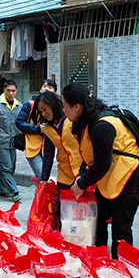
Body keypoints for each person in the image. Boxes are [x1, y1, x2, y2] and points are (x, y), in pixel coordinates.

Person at [63, 83, 139, 259]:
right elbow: (89, 156)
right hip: (110, 177)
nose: (64, 111)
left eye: (64, 106)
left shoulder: (102, 126)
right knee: (98, 220)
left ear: (77, 107)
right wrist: (81, 176)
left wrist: (81, 184)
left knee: (121, 229)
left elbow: (102, 164)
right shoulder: (87, 123)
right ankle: (99, 260)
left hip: (129, 176)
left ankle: (123, 269)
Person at [34, 90, 83, 229]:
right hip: (64, 172)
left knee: (82, 207)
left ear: (53, 105)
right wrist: (43, 179)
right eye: (41, 111)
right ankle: (60, 238)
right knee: (59, 208)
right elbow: (48, 154)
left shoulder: (71, 120)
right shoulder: (48, 128)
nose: (43, 114)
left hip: (81, 170)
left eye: (45, 109)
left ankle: (82, 239)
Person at [15, 79, 57, 180]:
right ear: (40, 89)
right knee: (42, 177)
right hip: (33, 147)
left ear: (54, 92)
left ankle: (39, 196)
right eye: (44, 86)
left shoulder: (55, 107)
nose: (46, 88)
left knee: (43, 179)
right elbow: (19, 122)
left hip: (48, 148)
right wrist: (38, 129)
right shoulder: (30, 104)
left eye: (50, 87)